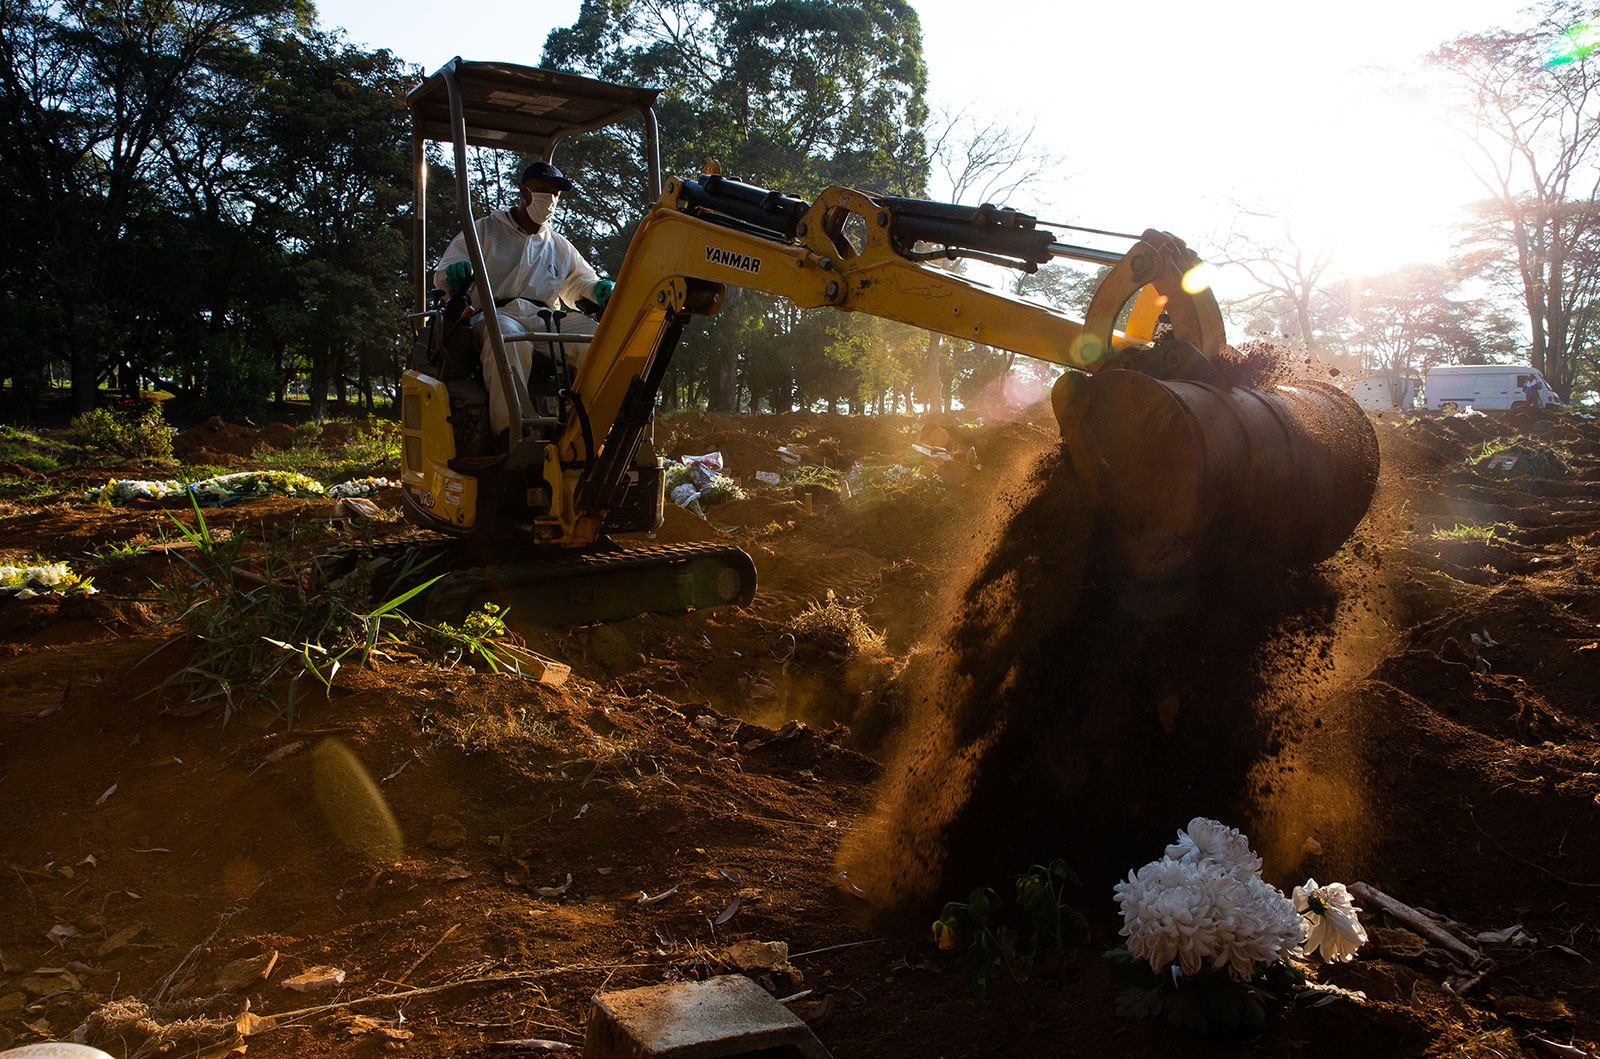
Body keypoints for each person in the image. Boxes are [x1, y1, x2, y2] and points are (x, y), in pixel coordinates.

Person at [433, 160, 616, 435]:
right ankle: (510, 432)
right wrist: (454, 273)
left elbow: (579, 283)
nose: (549, 198)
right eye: (543, 189)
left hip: (546, 319)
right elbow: (445, 273)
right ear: (523, 191)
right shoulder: (484, 230)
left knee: (599, 339)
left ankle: (591, 427)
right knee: (510, 340)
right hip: (495, 314)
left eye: (555, 193)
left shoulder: (559, 245)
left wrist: (598, 289)